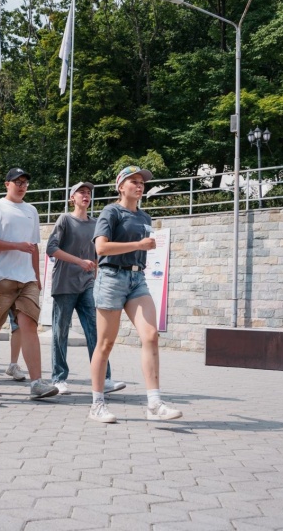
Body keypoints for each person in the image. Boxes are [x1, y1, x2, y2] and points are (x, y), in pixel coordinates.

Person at [88, 165, 183, 424]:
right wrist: (138, 245)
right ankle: (97, 404)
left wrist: (142, 250)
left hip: (137, 278)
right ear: (121, 187)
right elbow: (101, 248)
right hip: (111, 277)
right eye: (134, 181)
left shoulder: (145, 217)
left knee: (151, 335)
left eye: (142, 182)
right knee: (105, 344)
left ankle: (154, 403)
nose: (140, 185)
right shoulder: (111, 211)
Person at [0, 167, 58, 400]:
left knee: (29, 326)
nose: (22, 186)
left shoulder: (32, 210)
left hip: (27, 279)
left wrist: (37, 276)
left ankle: (37, 383)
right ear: (7, 184)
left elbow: (34, 246)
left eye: (25, 182)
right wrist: (16, 246)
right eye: (17, 182)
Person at [47, 181, 125, 395]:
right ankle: (59, 379)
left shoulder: (96, 224)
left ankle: (104, 379)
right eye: (81, 192)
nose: (86, 195)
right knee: (60, 332)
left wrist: (97, 278)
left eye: (88, 192)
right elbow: (51, 248)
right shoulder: (65, 219)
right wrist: (79, 262)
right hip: (64, 284)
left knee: (96, 331)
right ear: (72, 197)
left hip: (88, 285)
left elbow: (98, 256)